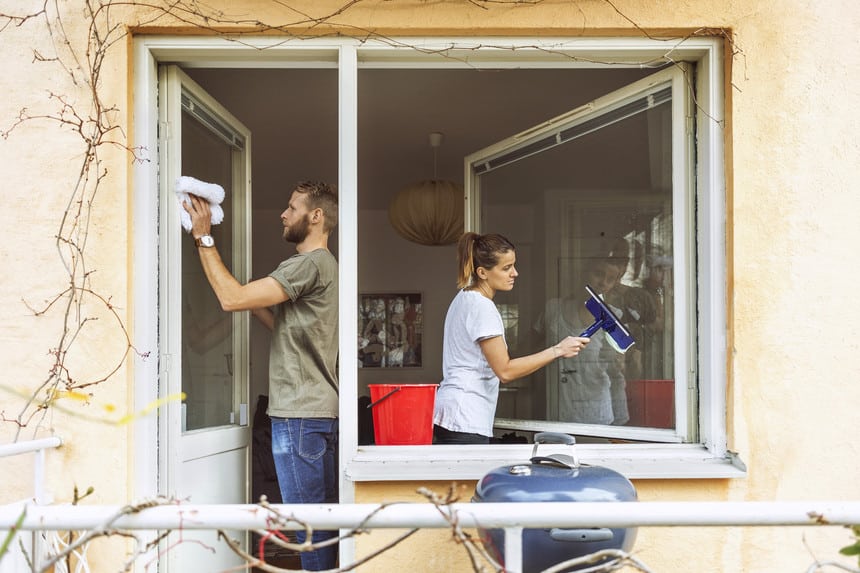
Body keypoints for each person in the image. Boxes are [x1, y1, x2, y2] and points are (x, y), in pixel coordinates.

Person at [183, 181, 339, 571]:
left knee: (308, 529)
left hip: (299, 416)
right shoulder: (327, 267)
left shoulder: (308, 263)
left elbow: (230, 298)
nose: (283, 215)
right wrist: (256, 302)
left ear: (315, 216)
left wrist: (204, 239)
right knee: (321, 527)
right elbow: (283, 327)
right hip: (317, 412)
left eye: (291, 207)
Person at [432, 232, 591, 445]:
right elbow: (505, 371)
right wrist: (558, 350)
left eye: (513, 265)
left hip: (453, 414)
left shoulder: (464, 298)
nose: (514, 273)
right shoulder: (481, 307)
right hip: (464, 416)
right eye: (506, 268)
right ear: (482, 272)